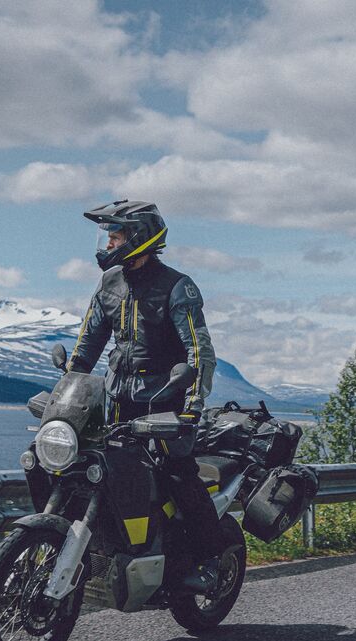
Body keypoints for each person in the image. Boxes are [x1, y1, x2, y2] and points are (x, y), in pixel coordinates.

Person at [67, 199, 222, 593]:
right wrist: (68, 386)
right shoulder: (109, 283)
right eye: (107, 236)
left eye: (115, 236)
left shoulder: (177, 286)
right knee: (89, 471)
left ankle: (209, 559)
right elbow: (87, 344)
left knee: (178, 475)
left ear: (138, 237)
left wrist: (192, 406)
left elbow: (199, 352)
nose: (107, 244)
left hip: (166, 405)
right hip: (118, 404)